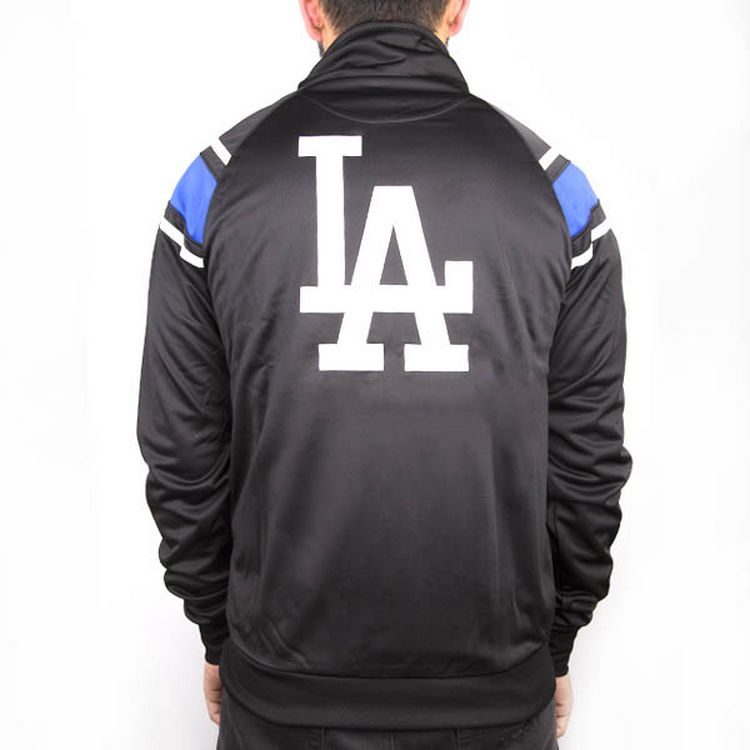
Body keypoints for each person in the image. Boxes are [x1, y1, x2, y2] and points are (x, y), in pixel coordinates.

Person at [136, 1, 633, 747]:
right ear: (457, 9)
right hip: (495, 699)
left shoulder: (215, 186)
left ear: (311, 10)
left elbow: (182, 451)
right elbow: (587, 462)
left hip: (281, 698)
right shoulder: (559, 194)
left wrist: (219, 630)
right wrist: (554, 642)